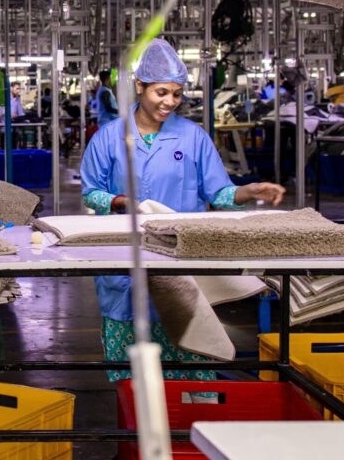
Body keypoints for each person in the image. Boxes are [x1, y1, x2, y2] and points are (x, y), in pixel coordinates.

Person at [80, 39, 285, 381]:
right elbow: (90, 193)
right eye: (161, 92)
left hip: (181, 261)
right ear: (140, 86)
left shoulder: (193, 137)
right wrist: (117, 202)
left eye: (176, 94)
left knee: (192, 371)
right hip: (126, 267)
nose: (170, 102)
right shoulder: (108, 137)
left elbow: (218, 192)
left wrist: (247, 191)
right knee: (132, 380)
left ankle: (191, 430)